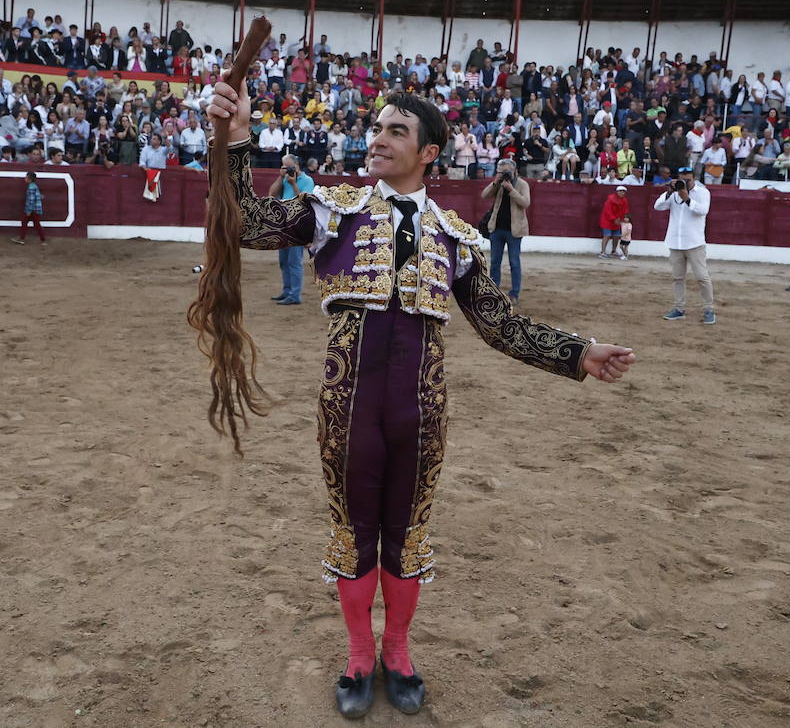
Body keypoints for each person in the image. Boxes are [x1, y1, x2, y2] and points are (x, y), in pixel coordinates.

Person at [205, 81, 635, 719]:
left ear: (429, 152)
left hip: (420, 411)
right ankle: (359, 653)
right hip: (347, 406)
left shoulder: (456, 237)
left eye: (396, 131)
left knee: (406, 536)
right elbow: (246, 223)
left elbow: (502, 326)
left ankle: (398, 651)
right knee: (354, 534)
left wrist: (578, 352)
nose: (378, 138)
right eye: (376, 128)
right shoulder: (335, 208)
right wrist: (238, 139)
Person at [655, 165, 715, 323]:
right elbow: (658, 206)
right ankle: (679, 308)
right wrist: (669, 192)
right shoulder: (673, 194)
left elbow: (703, 210)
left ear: (693, 178)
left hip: (695, 242)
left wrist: (687, 198)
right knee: (677, 278)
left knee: (702, 277)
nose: (685, 182)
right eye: (682, 179)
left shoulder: (703, 192)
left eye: (688, 179)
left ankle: (709, 309)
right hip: (675, 242)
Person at [266, 154, 315, 305]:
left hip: (297, 225)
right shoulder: (285, 179)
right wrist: (281, 178)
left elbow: (304, 203)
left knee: (294, 261)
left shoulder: (307, 180)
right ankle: (287, 291)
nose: (287, 170)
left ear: (296, 165)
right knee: (284, 261)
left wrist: (293, 184)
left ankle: (295, 295)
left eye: (289, 167)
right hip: (283, 225)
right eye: (284, 167)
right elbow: (271, 195)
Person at [480, 158, 530, 303]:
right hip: (497, 229)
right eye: (501, 172)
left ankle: (514, 293)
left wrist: (511, 190)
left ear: (514, 170)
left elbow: (525, 203)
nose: (505, 174)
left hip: (514, 230)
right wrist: (496, 182)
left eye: (507, 171)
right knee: (495, 261)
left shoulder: (522, 184)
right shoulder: (499, 183)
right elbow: (484, 195)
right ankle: (494, 290)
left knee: (514, 262)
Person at [11, 172, 46, 245]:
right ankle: (42, 239)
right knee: (35, 224)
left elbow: (31, 200)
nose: (25, 179)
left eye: (26, 177)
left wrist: (29, 211)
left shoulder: (31, 187)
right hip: (36, 209)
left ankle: (22, 238)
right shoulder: (34, 186)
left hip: (32, 210)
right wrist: (40, 196)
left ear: (30, 179)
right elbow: (36, 196)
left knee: (28, 223)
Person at [598, 186, 631, 259]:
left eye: (624, 192)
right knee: (607, 235)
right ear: (617, 192)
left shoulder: (624, 200)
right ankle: (602, 252)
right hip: (607, 220)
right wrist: (614, 219)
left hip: (617, 220)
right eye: (621, 191)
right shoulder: (610, 200)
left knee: (616, 236)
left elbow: (625, 211)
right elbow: (607, 211)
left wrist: (622, 219)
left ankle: (613, 251)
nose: (622, 193)